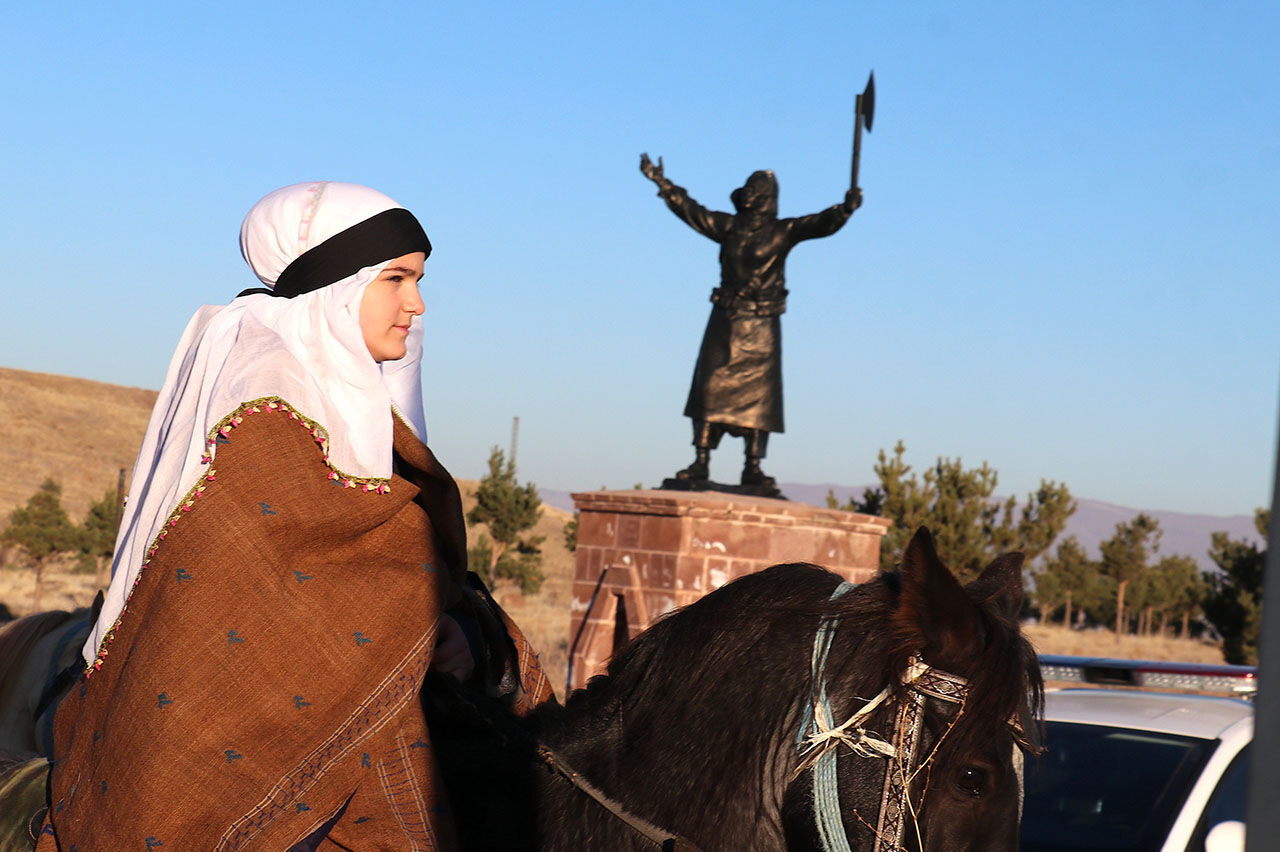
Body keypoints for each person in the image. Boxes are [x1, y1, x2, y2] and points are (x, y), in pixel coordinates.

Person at [36, 182, 552, 850]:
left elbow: (394, 581)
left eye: (419, 281)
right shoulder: (267, 410)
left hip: (389, 730)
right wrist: (416, 627)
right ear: (339, 286)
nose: (416, 305)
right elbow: (263, 615)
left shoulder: (360, 415)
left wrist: (462, 637)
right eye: (396, 278)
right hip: (252, 753)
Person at [640, 154, 861, 495]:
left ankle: (753, 466)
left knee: (761, 399)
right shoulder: (729, 228)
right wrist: (663, 184)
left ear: (767, 195)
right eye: (748, 188)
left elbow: (818, 224)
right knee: (710, 388)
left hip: (762, 326)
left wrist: (844, 210)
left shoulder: (782, 231)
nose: (749, 193)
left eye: (756, 189)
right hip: (726, 321)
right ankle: (701, 460)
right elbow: (694, 212)